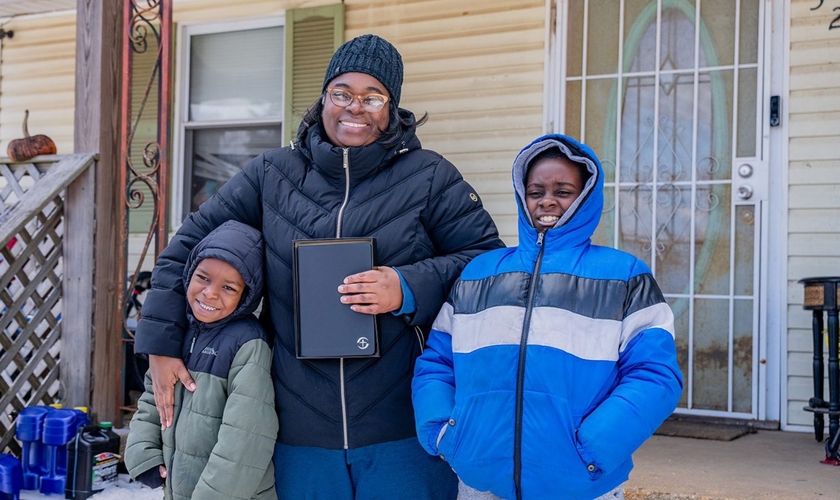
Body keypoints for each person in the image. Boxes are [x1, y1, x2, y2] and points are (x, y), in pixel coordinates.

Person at [134, 33, 503, 499]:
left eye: (373, 97)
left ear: (392, 108)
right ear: (324, 98)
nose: (355, 108)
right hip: (298, 427)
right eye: (342, 93)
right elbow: (184, 249)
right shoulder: (271, 174)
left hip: (401, 424)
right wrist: (161, 347)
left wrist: (407, 286)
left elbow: (489, 268)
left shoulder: (429, 176)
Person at [411, 134, 684, 500]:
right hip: (482, 482)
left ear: (586, 196)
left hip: (581, 485)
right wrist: (444, 433)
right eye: (536, 190)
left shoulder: (624, 276)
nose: (547, 201)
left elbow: (655, 376)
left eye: (563, 190)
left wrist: (594, 447)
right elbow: (437, 363)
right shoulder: (480, 274)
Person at [125, 220, 277, 499]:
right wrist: (143, 452)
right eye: (203, 278)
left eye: (229, 288)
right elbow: (153, 396)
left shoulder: (248, 343)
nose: (210, 293)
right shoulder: (177, 332)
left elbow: (245, 437)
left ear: (247, 295)